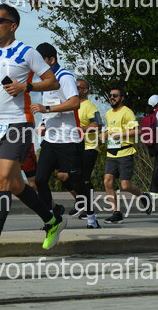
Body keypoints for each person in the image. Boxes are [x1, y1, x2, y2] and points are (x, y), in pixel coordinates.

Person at [0, 4, 66, 262]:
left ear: (13, 25)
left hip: (19, 124)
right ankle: (52, 220)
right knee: (14, 184)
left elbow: (52, 81)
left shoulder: (27, 52)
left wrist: (26, 87)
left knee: (1, 180)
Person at [32, 42, 99, 229]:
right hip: (51, 140)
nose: (37, 66)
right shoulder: (45, 83)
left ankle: (92, 217)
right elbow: (47, 109)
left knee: (76, 181)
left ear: (52, 60)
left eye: (41, 61)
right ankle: (51, 220)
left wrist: (46, 108)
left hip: (69, 139)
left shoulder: (65, 77)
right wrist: (43, 124)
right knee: (40, 180)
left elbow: (75, 103)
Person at [101, 86, 152, 224]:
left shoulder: (127, 112)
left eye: (115, 95)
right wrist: (103, 135)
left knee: (125, 185)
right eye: (110, 95)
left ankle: (143, 196)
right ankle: (116, 212)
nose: (112, 98)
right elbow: (108, 131)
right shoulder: (108, 113)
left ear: (122, 98)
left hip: (125, 152)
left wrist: (120, 135)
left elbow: (138, 130)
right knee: (107, 181)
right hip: (111, 152)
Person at [70, 78, 102, 219]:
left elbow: (98, 125)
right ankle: (82, 202)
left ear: (86, 90)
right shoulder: (72, 104)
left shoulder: (89, 106)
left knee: (84, 178)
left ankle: (87, 209)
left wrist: (80, 129)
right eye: (74, 86)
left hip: (89, 146)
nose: (75, 89)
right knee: (67, 176)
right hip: (75, 146)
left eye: (78, 87)